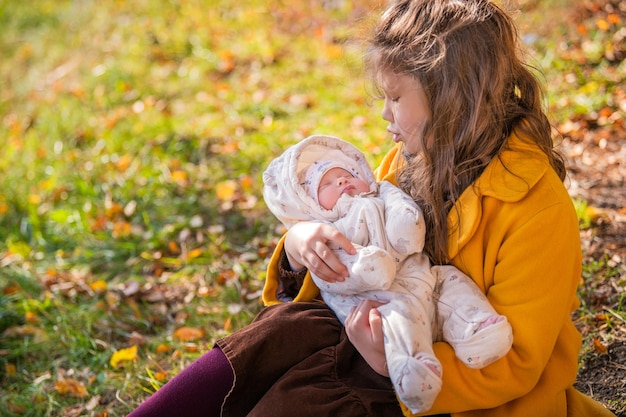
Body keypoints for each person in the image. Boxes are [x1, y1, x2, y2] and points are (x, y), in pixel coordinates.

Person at [128, 1, 617, 416]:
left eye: (396, 97)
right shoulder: (407, 162)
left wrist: (390, 364)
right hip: (374, 328)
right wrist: (301, 247)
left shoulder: (535, 208)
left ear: (452, 100)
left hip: (448, 389)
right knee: (272, 340)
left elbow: (519, 363)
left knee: (298, 399)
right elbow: (364, 244)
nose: (384, 115)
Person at [262, 134, 513, 413]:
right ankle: (414, 370)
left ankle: (477, 331)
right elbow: (333, 273)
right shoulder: (331, 229)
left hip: (422, 276)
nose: (342, 182)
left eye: (345, 175)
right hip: (379, 299)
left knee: (452, 283)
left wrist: (406, 226)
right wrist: (367, 266)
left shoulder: (382, 192)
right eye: (327, 184)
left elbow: (404, 211)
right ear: (313, 205)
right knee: (400, 318)